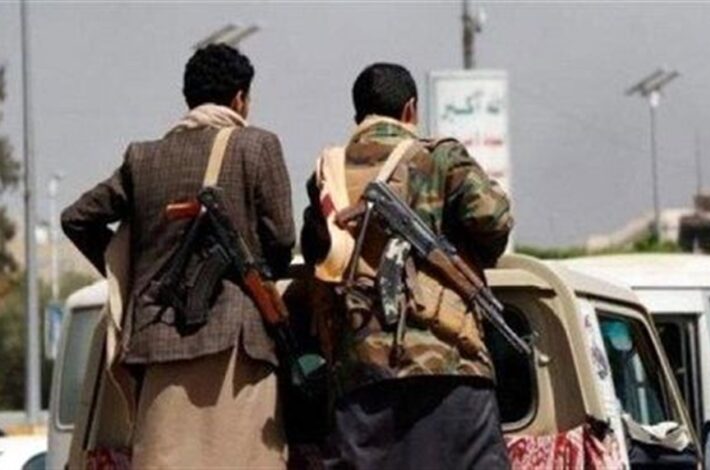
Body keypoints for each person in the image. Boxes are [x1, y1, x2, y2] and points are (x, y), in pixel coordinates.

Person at [61, 44, 295, 468]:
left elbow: (77, 218)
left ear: (189, 97)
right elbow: (281, 243)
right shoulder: (258, 146)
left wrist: (132, 280)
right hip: (238, 351)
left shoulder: (143, 158)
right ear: (240, 98)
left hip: (158, 351)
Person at [301, 62, 513, 469]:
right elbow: (493, 219)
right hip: (451, 360)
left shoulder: (328, 174)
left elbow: (316, 252)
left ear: (358, 115)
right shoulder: (440, 157)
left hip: (361, 372)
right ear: (410, 109)